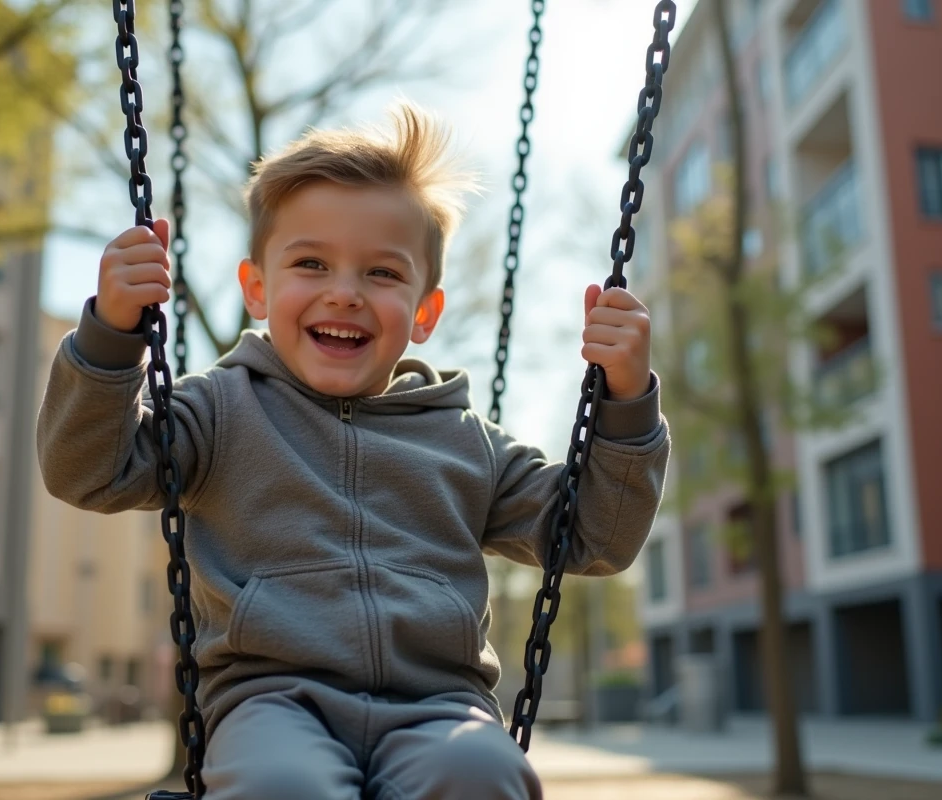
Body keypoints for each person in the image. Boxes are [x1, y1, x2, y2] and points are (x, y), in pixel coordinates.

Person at [37, 104, 670, 800]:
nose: (344, 293)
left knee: (484, 773)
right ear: (257, 288)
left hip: (439, 705)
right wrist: (111, 336)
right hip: (268, 702)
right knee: (284, 786)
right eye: (311, 263)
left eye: (382, 274)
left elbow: (595, 537)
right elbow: (88, 471)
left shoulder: (468, 444)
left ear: (425, 313)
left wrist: (625, 400)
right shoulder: (220, 410)